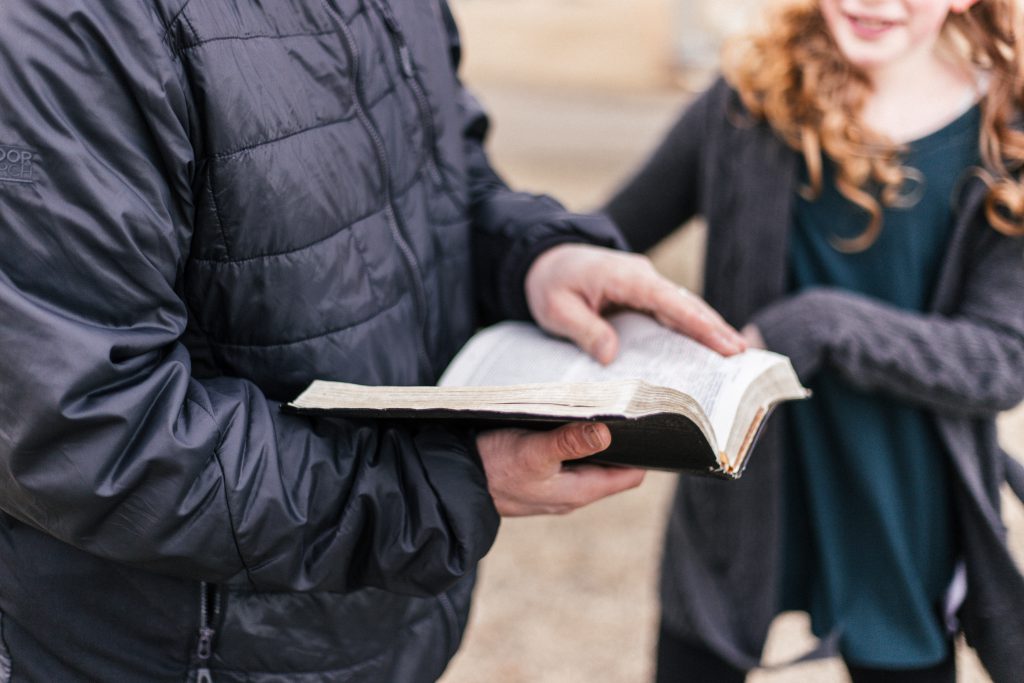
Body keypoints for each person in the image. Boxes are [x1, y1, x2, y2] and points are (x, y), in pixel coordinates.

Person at [0, 1, 746, 681]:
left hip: (386, 626)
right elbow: (88, 429)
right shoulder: (66, 29)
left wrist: (535, 255)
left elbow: (445, 173)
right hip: (171, 653)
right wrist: (440, 489)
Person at [604, 0, 1024, 681]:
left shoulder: (1006, 139)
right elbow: (604, 239)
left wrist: (821, 325)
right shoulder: (752, 94)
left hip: (901, 506)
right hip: (743, 485)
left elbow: (1001, 360)